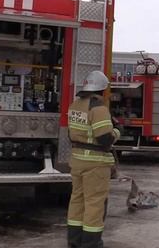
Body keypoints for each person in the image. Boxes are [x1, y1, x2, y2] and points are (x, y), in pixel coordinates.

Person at [67, 71, 121, 248]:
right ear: (102, 89)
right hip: (95, 164)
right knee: (94, 203)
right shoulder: (98, 108)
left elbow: (72, 134)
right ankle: (91, 243)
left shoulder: (75, 105)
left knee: (77, 200)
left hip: (77, 161)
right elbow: (105, 139)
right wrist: (117, 131)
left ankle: (74, 241)